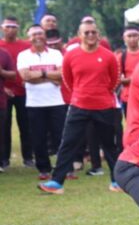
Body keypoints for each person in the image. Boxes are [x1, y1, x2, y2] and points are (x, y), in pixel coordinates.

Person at [38, 20, 120, 194]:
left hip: (104, 106)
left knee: (109, 146)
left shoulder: (108, 56)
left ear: (98, 34)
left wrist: (101, 93)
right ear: (79, 35)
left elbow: (114, 80)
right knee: (67, 143)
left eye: (93, 32)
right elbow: (68, 80)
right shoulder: (70, 55)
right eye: (86, 32)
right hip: (79, 106)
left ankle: (117, 181)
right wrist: (81, 93)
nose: (90, 35)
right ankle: (56, 182)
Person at [16, 25, 66, 180]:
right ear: (28, 38)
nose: (37, 37)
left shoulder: (56, 54)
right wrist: (50, 76)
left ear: (45, 36)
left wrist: (39, 74)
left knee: (61, 136)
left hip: (56, 101)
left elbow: (62, 74)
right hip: (35, 103)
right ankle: (44, 169)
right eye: (34, 34)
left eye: (40, 33)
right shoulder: (23, 55)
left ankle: (64, 167)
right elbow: (25, 76)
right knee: (38, 138)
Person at [0, 16, 33, 169]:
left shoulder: (26, 46)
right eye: (8, 26)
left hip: (23, 90)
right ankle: (4, 159)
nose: (11, 29)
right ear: (2, 28)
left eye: (14, 26)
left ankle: (28, 157)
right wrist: (4, 88)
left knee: (26, 125)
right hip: (3, 92)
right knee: (4, 126)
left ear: (18, 28)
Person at [116, 26, 139, 117]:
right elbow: (117, 79)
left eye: (135, 35)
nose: (132, 39)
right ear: (124, 38)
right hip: (127, 97)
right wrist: (132, 80)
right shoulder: (121, 57)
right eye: (129, 36)